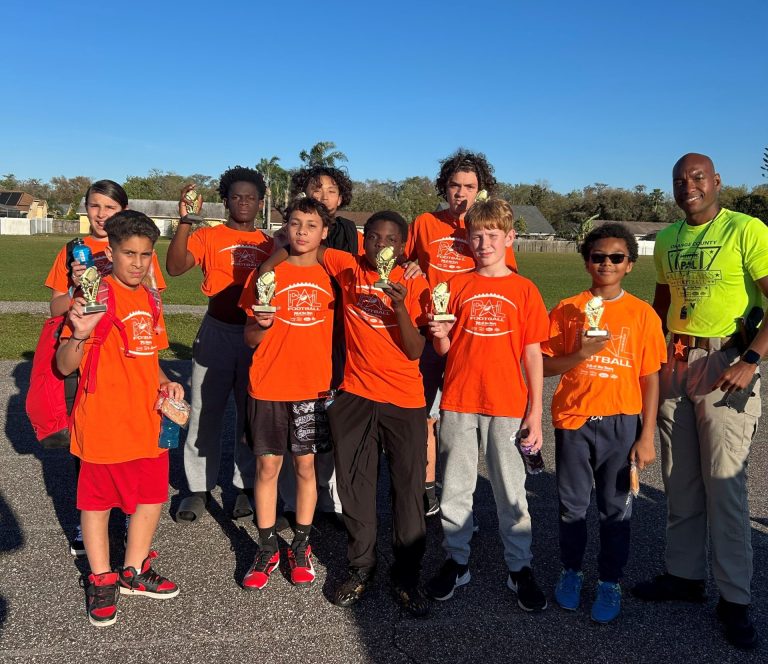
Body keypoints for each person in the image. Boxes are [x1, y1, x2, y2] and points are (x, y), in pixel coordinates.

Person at [259, 210, 432, 616]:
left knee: (408, 490)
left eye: (390, 239)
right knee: (356, 487)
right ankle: (361, 567)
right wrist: (270, 262)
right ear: (362, 239)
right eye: (373, 237)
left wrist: (400, 306)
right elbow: (304, 244)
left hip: (404, 398)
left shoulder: (415, 281)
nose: (380, 245)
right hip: (356, 394)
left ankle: (406, 576)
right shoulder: (346, 264)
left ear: (402, 246)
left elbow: (415, 350)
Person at [632, 153, 768, 650]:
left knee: (724, 487)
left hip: (725, 362)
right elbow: (661, 305)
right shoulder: (669, 238)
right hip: (676, 363)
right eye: (679, 180)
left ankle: (735, 599)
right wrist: (648, 359)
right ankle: (684, 576)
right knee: (680, 481)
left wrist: (750, 359)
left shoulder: (745, 229)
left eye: (697, 178)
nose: (687, 186)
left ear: (716, 182)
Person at [56, 210, 182, 627]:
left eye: (146, 254)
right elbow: (64, 365)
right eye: (129, 253)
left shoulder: (151, 298)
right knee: (97, 505)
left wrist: (167, 383)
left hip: (147, 421)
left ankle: (133, 570)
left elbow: (151, 358)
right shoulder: (94, 296)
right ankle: (101, 577)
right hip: (104, 421)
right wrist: (79, 333)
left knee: (151, 497)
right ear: (109, 253)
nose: (138, 263)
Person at [425, 199, 547, 612]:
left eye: (493, 235)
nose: (484, 243)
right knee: (456, 486)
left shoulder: (524, 289)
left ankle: (519, 567)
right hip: (460, 398)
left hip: (507, 403)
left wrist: (535, 412)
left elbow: (533, 353)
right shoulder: (456, 285)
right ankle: (457, 561)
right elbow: (445, 350)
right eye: (476, 236)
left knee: (511, 489)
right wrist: (440, 334)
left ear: (509, 237)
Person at [541, 223, 666, 623]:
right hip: (574, 420)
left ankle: (610, 581)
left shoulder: (642, 314)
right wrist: (581, 353)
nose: (606, 264)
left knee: (615, 509)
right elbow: (543, 365)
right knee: (572, 506)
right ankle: (571, 571)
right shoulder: (567, 308)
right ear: (586, 262)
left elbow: (650, 378)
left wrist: (647, 435)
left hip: (620, 422)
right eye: (598, 257)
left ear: (630, 264)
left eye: (616, 257)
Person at [44, 179, 166, 556]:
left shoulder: (147, 291)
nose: (138, 262)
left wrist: (165, 382)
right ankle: (97, 562)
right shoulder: (80, 260)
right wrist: (78, 305)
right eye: (94, 205)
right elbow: (63, 350)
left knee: (145, 490)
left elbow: (150, 345)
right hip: (100, 395)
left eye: (109, 206)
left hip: (143, 412)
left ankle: (133, 560)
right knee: (95, 486)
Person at [406, 149, 518, 518]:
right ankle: (427, 490)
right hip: (430, 333)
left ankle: (465, 493)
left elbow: (509, 277)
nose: (461, 193)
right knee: (425, 416)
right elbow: (403, 258)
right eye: (455, 185)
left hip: (472, 338)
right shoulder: (425, 223)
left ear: (480, 189)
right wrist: (409, 264)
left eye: (469, 186)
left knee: (466, 419)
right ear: (445, 187)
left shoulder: (485, 228)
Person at [166, 167, 273, 522]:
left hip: (255, 335)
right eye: (236, 196)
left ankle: (244, 486)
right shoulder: (209, 236)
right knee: (204, 412)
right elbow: (175, 267)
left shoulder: (270, 244)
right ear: (225, 201)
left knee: (249, 414)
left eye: (251, 197)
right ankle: (197, 488)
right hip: (216, 331)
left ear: (261, 203)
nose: (243, 203)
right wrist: (186, 221)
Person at [238, 197, 334, 590]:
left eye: (311, 225)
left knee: (306, 468)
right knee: (267, 468)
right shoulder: (266, 273)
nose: (302, 232)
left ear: (324, 232)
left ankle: (301, 544)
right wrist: (261, 325)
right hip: (269, 385)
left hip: (312, 387)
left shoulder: (332, 274)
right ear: (286, 227)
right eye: (295, 223)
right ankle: (266, 547)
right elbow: (249, 338)